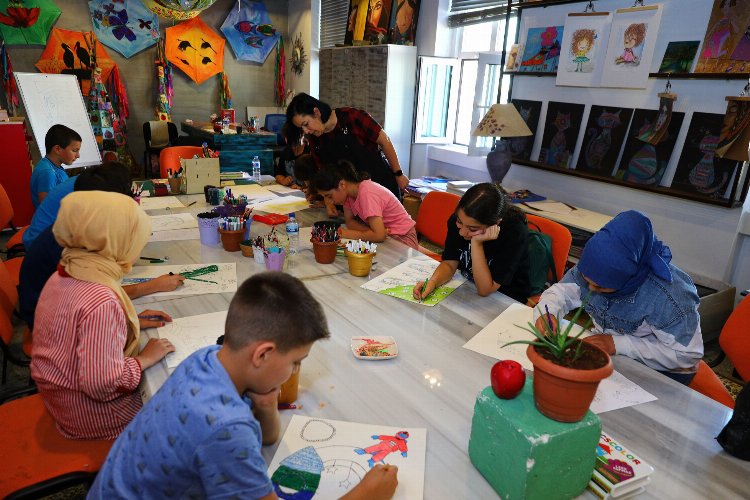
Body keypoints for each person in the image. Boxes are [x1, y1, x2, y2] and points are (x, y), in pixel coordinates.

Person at [88, 273, 399, 500]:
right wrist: (366, 495)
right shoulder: (226, 428)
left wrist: (265, 403)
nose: (295, 371)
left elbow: (268, 437)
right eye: (296, 361)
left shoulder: (207, 358)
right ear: (262, 354)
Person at [30, 191, 176, 440]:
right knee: (180, 405)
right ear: (116, 241)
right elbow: (103, 384)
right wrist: (145, 359)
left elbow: (74, 326)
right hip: (96, 416)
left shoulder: (67, 271)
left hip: (62, 400)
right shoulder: (101, 300)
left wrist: (126, 322)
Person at [532, 210, 703, 385]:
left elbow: (687, 355)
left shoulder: (670, 298)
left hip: (663, 371)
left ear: (628, 277)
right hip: (612, 354)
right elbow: (561, 293)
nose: (590, 289)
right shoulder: (594, 267)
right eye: (586, 280)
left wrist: (619, 344)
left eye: (600, 287)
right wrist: (548, 312)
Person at [18, 163, 184, 329]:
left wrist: (128, 320)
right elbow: (94, 298)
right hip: (53, 324)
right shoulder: (72, 246)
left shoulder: (80, 227)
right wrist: (153, 286)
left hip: (66, 313)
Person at [413, 183, 531, 302]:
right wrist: (433, 282)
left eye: (473, 229)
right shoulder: (459, 221)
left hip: (505, 297)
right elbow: (449, 263)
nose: (462, 233)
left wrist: (476, 243)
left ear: (496, 223)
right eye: (460, 222)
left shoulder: (514, 232)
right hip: (468, 285)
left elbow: (485, 290)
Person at [286, 93, 408, 201]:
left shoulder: (351, 117)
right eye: (302, 128)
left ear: (316, 112)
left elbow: (385, 141)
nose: (306, 131)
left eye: (306, 124)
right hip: (353, 199)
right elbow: (325, 174)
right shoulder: (315, 139)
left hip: (382, 186)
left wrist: (398, 174)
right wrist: (328, 201)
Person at [314, 160, 418, 248]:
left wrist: (347, 233)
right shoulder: (348, 196)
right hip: (388, 235)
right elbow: (350, 222)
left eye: (329, 196)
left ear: (342, 184)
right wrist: (372, 233)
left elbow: (379, 236)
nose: (331, 202)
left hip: (403, 236)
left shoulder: (366, 193)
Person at [30, 124, 81, 208]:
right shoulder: (47, 173)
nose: (78, 155)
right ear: (57, 149)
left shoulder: (54, 166)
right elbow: (47, 208)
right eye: (74, 150)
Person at [274, 122, 308, 189]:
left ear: (302, 136)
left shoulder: (310, 152)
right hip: (290, 191)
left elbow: (317, 181)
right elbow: (278, 174)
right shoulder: (286, 152)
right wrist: (283, 180)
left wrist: (303, 188)